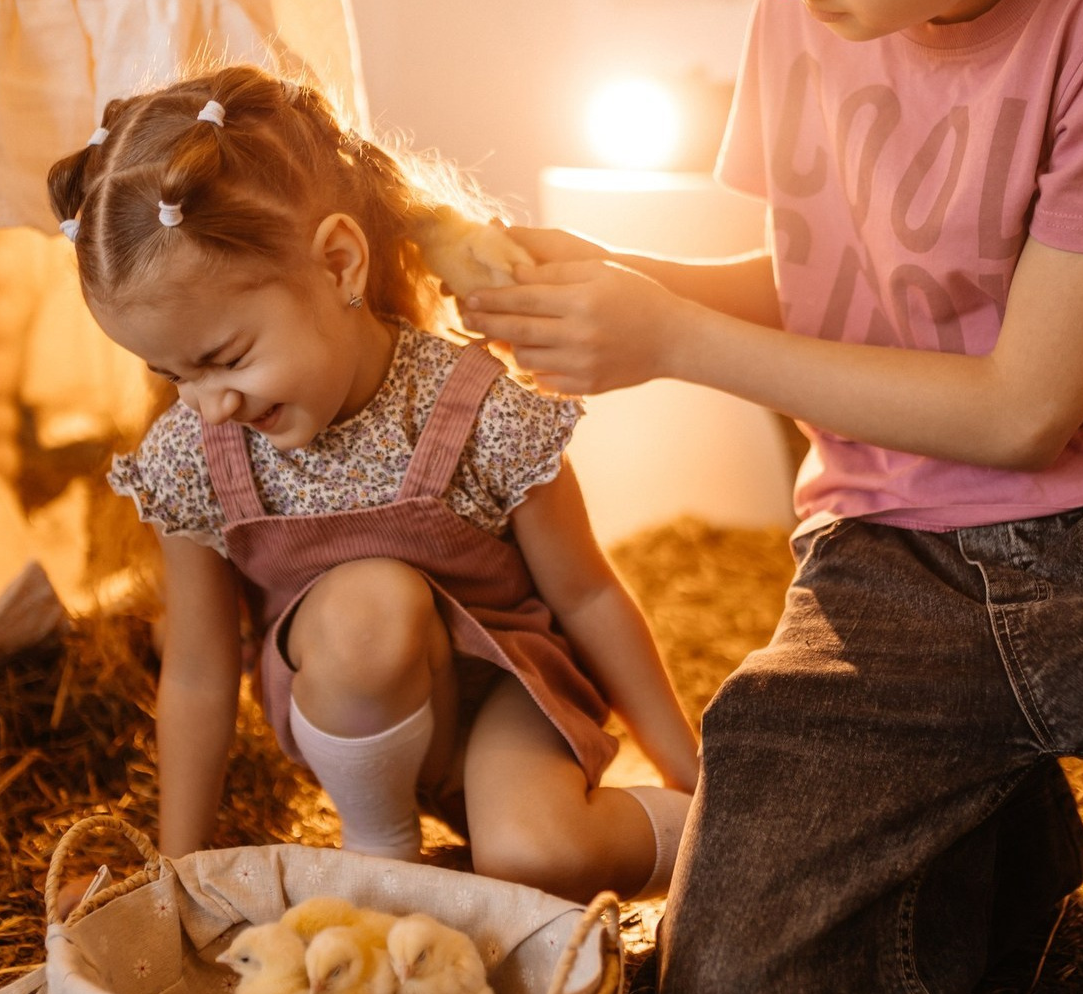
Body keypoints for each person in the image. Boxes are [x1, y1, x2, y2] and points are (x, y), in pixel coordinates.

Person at [463, 0, 1083, 994]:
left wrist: (672, 342)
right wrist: (624, 278)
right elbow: (827, 286)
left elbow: (1024, 408)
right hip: (889, 555)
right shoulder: (808, 6)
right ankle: (993, 831)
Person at [46, 63, 698, 908]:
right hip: (351, 714)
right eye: (172, 374)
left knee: (539, 860)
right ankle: (381, 864)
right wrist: (174, 875)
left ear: (341, 264)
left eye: (227, 358)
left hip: (508, 695)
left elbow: (589, 596)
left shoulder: (479, 411)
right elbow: (202, 672)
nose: (209, 406)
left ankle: (697, 836)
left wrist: (697, 771)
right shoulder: (192, 456)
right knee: (369, 603)